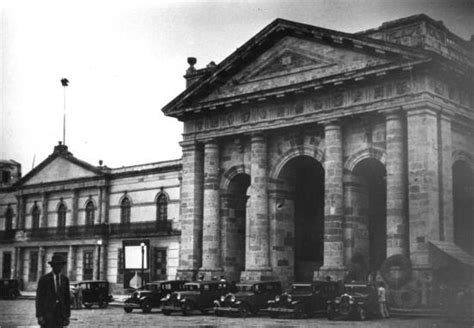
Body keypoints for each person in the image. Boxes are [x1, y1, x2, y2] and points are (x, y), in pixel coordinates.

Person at [36, 254, 71, 327]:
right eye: (56, 265)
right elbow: (39, 299)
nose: (58, 267)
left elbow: (67, 299)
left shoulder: (65, 280)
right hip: (47, 316)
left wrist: (67, 316)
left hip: (60, 316)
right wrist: (40, 316)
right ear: (52, 266)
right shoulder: (44, 279)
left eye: (60, 265)